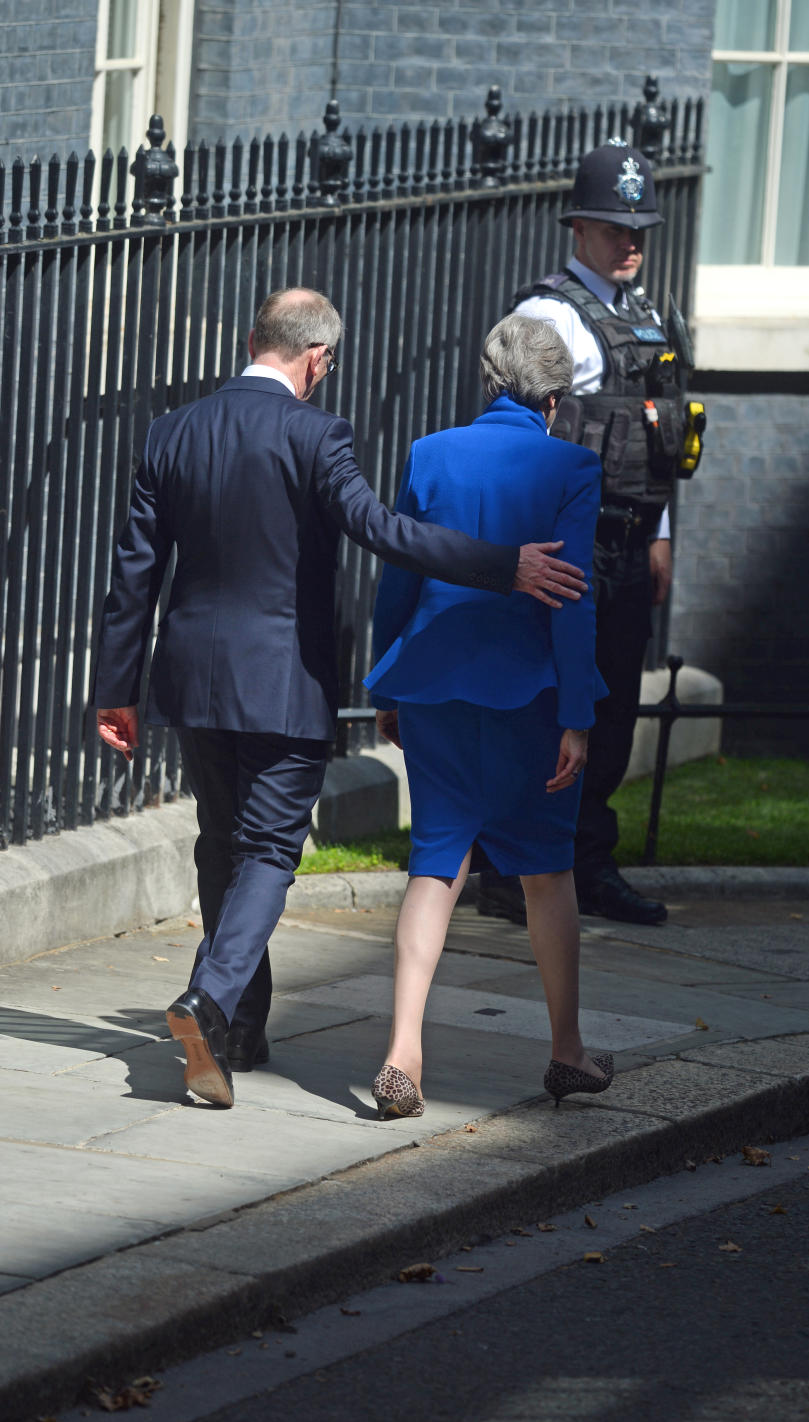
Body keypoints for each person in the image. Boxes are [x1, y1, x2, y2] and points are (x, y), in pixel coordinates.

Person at [93, 287, 590, 1110]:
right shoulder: (316, 434)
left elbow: (133, 572)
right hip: (284, 680)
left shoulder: (171, 430)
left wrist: (118, 690)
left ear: (254, 338)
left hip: (188, 677)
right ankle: (210, 999)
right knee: (270, 852)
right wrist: (508, 566)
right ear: (318, 357)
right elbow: (386, 533)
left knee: (221, 845)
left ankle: (237, 1031)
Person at [363, 314, 613, 1118]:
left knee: (436, 863)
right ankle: (567, 1051)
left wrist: (387, 688)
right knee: (545, 872)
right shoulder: (572, 464)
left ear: (490, 381)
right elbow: (573, 600)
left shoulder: (430, 453)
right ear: (554, 398)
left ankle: (404, 1051)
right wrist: (578, 713)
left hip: (434, 687)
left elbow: (399, 576)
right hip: (532, 697)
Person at [479, 139, 701, 927]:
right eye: (615, 227)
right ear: (578, 229)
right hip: (571, 544)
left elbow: (657, 438)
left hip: (630, 539)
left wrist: (661, 531)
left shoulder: (640, 313)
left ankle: (585, 861)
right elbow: (525, 440)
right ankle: (513, 866)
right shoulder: (546, 317)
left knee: (611, 708)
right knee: (557, 704)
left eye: (639, 227)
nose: (631, 240)